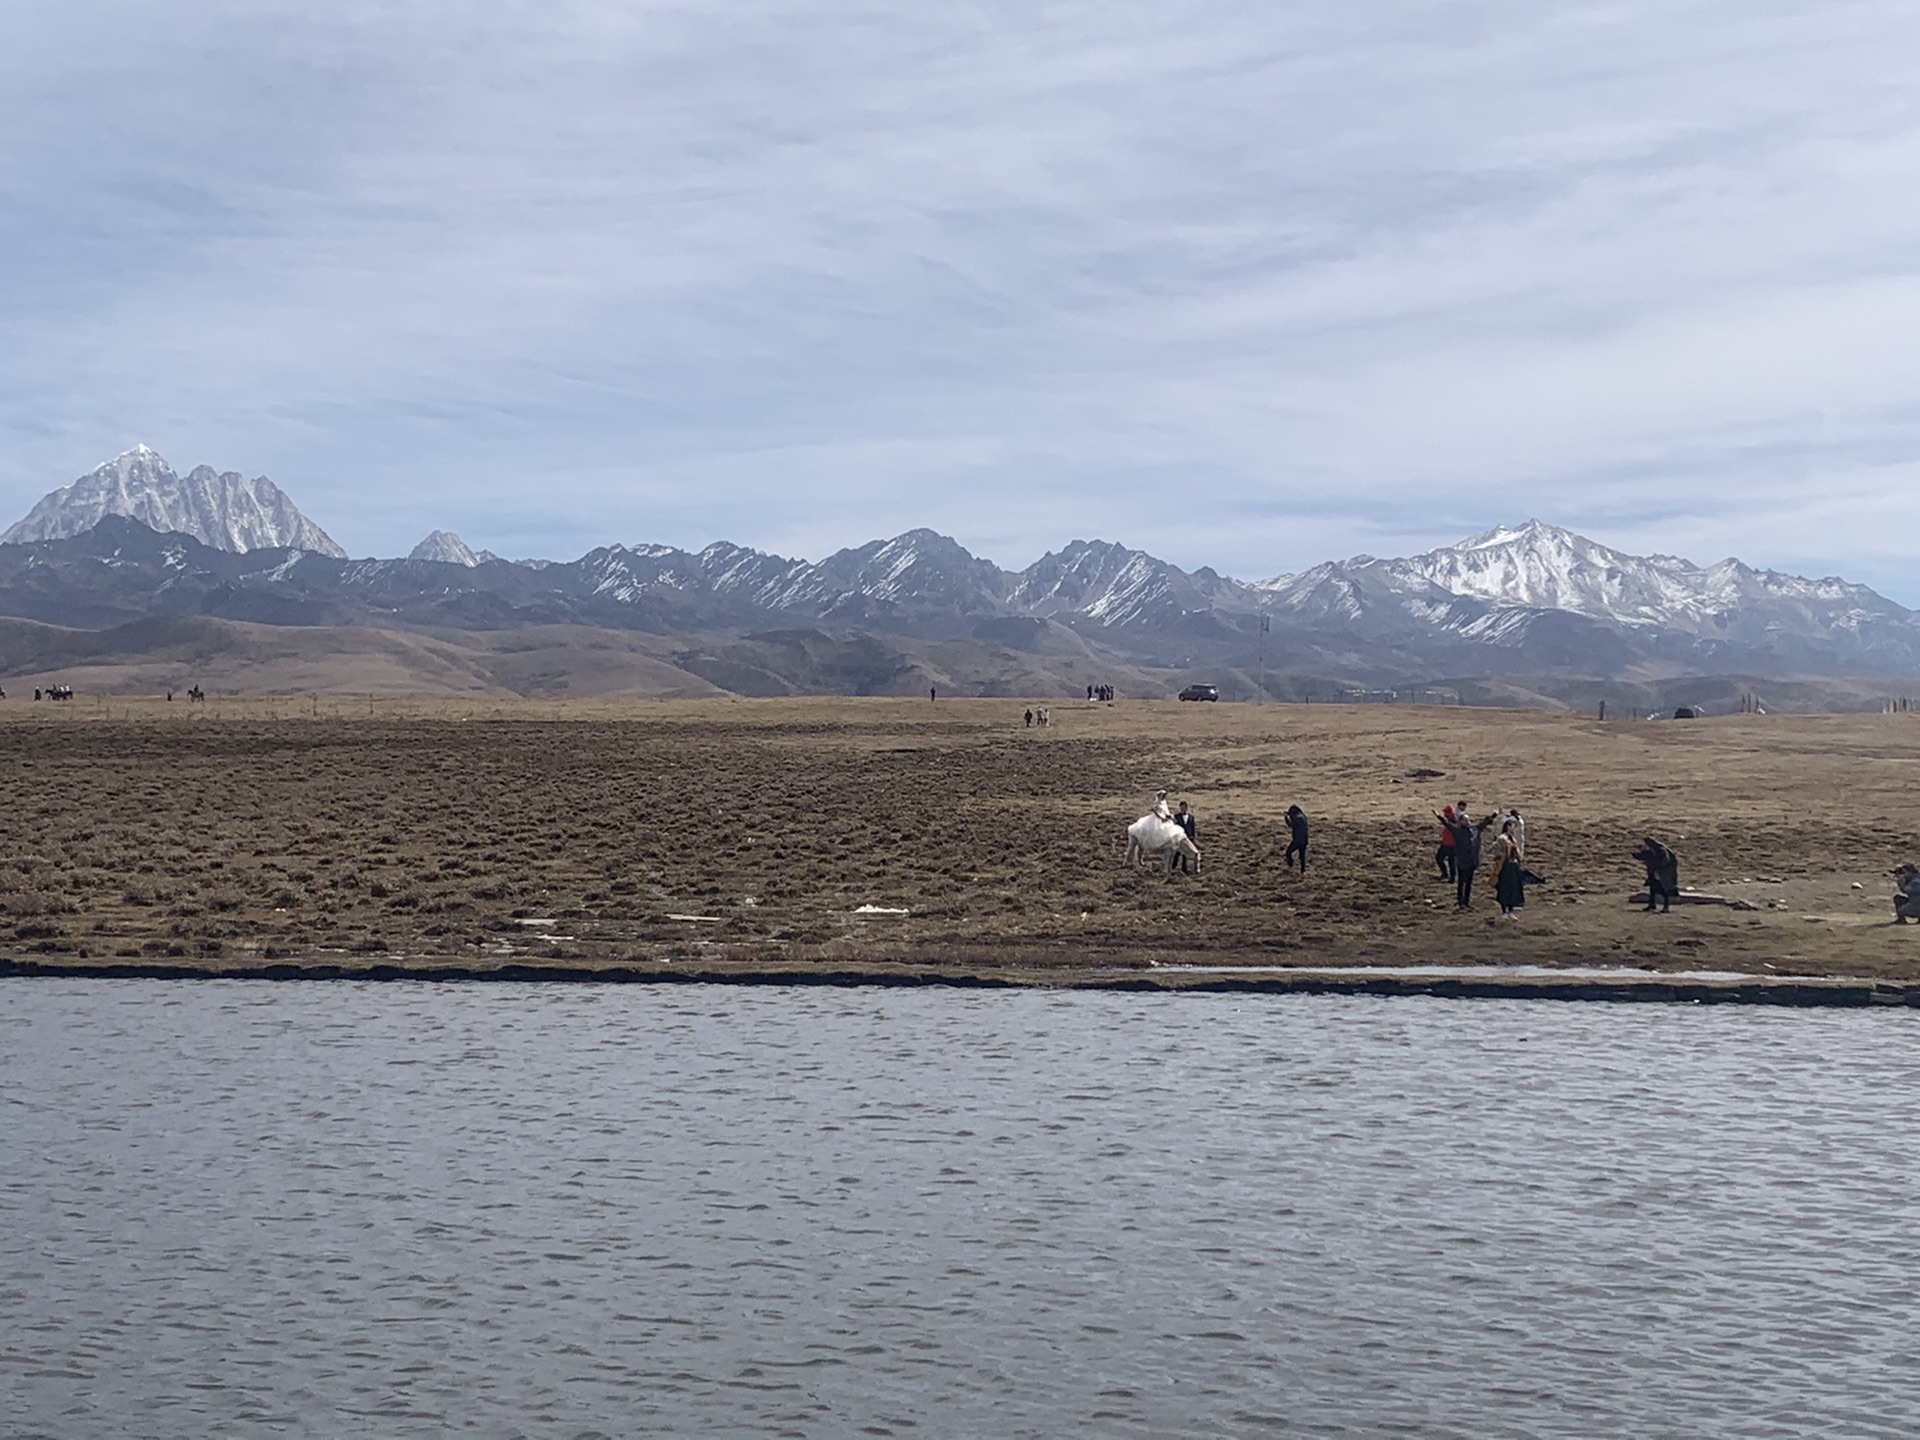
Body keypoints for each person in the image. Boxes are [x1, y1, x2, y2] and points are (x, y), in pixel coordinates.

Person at [1444, 810, 1486, 909]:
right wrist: (1439, 817)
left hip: (1471, 862)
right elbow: (1447, 824)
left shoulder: (1474, 830)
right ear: (1460, 822)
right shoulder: (1457, 832)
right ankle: (1460, 902)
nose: (1468, 822)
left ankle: (1466, 902)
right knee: (1461, 883)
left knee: (1469, 884)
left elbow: (1483, 824)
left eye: (1468, 820)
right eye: (1465, 820)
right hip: (1462, 862)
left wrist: (1493, 816)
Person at [1487, 817, 1524, 920]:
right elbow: (1497, 853)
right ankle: (1505, 911)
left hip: (1513, 866)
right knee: (1504, 888)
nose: (1513, 829)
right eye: (1511, 826)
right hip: (1505, 866)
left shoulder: (1513, 839)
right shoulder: (1502, 838)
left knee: (1512, 888)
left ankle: (1511, 910)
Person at [1633, 837, 1679, 913]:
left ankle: (1665, 907)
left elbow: (1665, 861)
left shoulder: (1661, 850)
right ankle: (1652, 904)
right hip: (1655, 872)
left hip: (1664, 872)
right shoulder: (1652, 850)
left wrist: (1656, 866)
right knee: (1653, 888)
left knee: (1665, 889)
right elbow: (1644, 856)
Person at [1434, 805, 1458, 880]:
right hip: (1447, 844)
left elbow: (1444, 821)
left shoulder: (1452, 820)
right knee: (1450, 861)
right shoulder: (1453, 819)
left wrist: (1437, 815)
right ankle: (1450, 876)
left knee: (1446, 860)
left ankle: (1448, 875)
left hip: (1450, 845)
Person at [1173, 801, 1197, 875]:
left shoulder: (1191, 817)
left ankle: (1184, 868)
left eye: (1183, 808)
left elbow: (1192, 827)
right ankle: (1173, 867)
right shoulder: (1176, 816)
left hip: (1188, 837)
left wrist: (1192, 837)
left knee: (1185, 854)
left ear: (1186, 808)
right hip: (1179, 837)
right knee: (1177, 853)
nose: (1182, 809)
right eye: (1181, 808)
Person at [1284, 805, 1309, 871]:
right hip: (1304, 839)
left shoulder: (1296, 818)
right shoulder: (1303, 817)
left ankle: (1290, 865)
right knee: (1302, 856)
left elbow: (1290, 825)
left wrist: (1286, 818)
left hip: (1298, 840)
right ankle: (1303, 870)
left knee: (1288, 852)